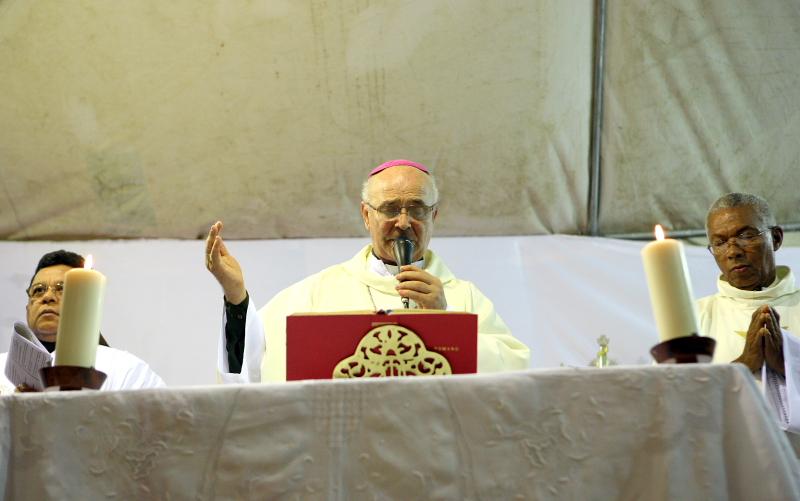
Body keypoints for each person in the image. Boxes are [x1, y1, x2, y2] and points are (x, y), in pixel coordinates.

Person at [206, 159, 531, 382]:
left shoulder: (463, 297)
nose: (403, 222)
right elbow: (248, 368)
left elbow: (514, 372)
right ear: (366, 215)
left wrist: (445, 323)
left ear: (434, 216)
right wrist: (235, 296)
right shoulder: (317, 293)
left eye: (417, 209)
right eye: (390, 209)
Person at [698, 193, 800, 433]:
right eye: (720, 242)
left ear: (776, 238)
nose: (733, 251)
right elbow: (672, 399)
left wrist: (787, 364)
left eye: (745, 236)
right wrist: (743, 365)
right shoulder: (694, 315)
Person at [0, 250, 165, 393]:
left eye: (62, 288)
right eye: (38, 290)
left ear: (85, 302)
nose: (48, 297)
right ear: (28, 307)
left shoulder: (124, 368)